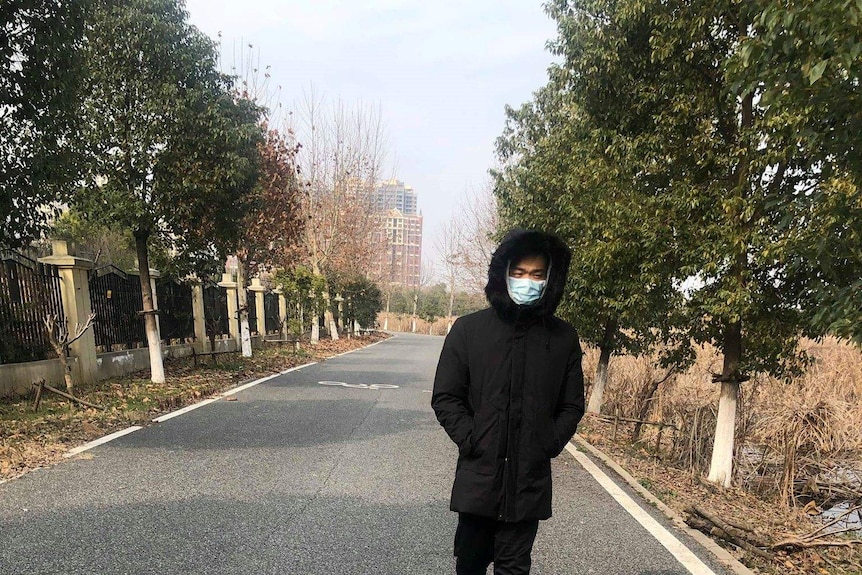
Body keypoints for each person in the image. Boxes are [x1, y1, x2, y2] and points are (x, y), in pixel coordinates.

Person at [431, 228, 586, 575]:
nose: (526, 280)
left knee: (515, 569)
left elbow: (572, 405)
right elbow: (446, 396)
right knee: (469, 566)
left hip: (527, 484)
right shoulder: (469, 330)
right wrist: (472, 439)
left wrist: (547, 442)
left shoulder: (562, 339)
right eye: (518, 272)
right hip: (478, 479)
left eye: (536, 274)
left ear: (550, 280)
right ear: (503, 273)